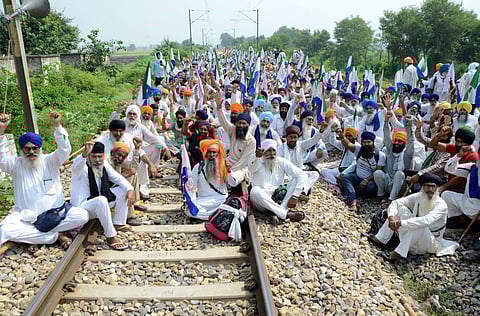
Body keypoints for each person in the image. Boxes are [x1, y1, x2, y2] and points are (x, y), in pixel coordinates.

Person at [0, 112, 89, 249]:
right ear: (22, 149)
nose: (31, 152)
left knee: (82, 216)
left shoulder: (50, 160)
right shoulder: (15, 164)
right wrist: (1, 130)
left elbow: (65, 149)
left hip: (55, 216)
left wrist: (57, 126)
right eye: (27, 148)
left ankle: (39, 235)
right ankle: (54, 236)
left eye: (34, 148)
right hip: (26, 218)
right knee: (4, 229)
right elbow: (1, 159)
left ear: (39, 148)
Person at [368, 173, 456, 263]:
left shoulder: (441, 205)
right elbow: (396, 203)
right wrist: (391, 217)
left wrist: (401, 223)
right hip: (414, 235)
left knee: (419, 225)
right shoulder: (419, 196)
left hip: (430, 242)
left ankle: (395, 255)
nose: (430, 189)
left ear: (437, 188)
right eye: (427, 186)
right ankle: (380, 239)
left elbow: (426, 220)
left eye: (433, 186)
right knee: (401, 208)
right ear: (422, 187)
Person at [71, 142, 136, 250]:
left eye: (99, 156)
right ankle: (111, 236)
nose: (97, 160)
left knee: (123, 190)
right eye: (94, 156)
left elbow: (117, 178)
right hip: (82, 207)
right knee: (101, 200)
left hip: (98, 200)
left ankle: (118, 223)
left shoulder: (103, 164)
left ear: (103, 156)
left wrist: (130, 189)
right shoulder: (81, 166)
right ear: (88, 156)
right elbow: (76, 165)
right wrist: (83, 155)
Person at [249, 139, 307, 222]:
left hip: (279, 198)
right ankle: (285, 214)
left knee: (295, 180)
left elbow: (302, 174)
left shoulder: (281, 161)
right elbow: (251, 169)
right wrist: (256, 157)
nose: (272, 154)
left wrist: (295, 195)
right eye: (268, 151)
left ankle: (276, 212)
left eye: (274, 151)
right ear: (263, 152)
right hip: (262, 201)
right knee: (254, 191)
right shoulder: (257, 160)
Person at [339, 131, 386, 211]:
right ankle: (353, 201)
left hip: (369, 181)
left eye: (369, 142)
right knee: (346, 177)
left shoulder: (380, 155)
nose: (366, 144)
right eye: (364, 142)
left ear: (373, 142)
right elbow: (348, 144)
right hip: (357, 177)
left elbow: (378, 171)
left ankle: (353, 192)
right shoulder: (359, 150)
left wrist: (366, 180)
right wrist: (340, 135)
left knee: (372, 187)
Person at [442, 150, 480, 250]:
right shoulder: (472, 167)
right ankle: (454, 223)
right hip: (467, 202)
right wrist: (458, 156)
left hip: (478, 209)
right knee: (447, 195)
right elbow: (449, 169)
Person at [374, 111, 414, 201]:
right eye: (395, 140)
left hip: (400, 186)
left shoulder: (407, 154)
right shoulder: (390, 150)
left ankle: (391, 199)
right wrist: (386, 121)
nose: (396, 143)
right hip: (388, 181)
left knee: (399, 174)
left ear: (404, 143)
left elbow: (411, 141)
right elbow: (387, 135)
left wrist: (409, 126)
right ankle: (380, 195)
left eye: (400, 141)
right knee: (377, 173)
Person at [278, 125, 325, 198]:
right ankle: (297, 190)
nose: (293, 139)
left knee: (315, 174)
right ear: (286, 137)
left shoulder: (301, 145)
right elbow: (279, 166)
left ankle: (302, 191)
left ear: (297, 138)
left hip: (299, 173)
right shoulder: (280, 149)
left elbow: (313, 140)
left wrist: (321, 131)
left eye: (295, 137)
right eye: (290, 137)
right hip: (286, 175)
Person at [187, 140, 229, 220]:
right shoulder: (198, 167)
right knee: (190, 209)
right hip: (203, 201)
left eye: (214, 152)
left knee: (228, 205)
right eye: (209, 152)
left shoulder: (224, 166)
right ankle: (216, 215)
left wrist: (229, 171)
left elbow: (232, 183)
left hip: (221, 199)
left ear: (218, 153)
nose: (211, 155)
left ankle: (209, 215)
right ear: (205, 153)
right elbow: (192, 187)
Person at [108, 141, 145, 225]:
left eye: (123, 157)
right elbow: (110, 180)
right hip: (108, 189)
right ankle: (129, 216)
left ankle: (134, 203)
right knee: (126, 187)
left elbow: (134, 167)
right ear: (113, 153)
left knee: (133, 174)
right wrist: (123, 175)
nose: (120, 158)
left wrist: (136, 150)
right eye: (119, 155)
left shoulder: (118, 161)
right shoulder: (108, 162)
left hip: (115, 186)